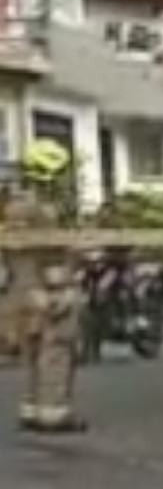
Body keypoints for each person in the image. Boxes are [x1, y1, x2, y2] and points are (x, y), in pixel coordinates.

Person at [8, 138, 86, 433]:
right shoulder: (46, 211)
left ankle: (31, 407)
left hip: (21, 289)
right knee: (56, 351)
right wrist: (61, 290)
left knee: (32, 352)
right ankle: (53, 414)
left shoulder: (14, 207)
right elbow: (53, 254)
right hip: (46, 290)